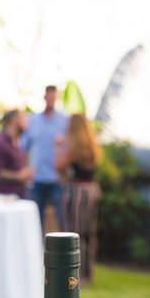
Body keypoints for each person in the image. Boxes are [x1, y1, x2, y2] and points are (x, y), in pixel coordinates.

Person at [54, 114, 103, 284]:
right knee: (89, 234)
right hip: (92, 190)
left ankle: (74, 274)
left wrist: (57, 147)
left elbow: (59, 166)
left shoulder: (73, 147)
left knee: (72, 233)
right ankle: (87, 273)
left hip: (76, 192)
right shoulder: (91, 146)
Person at [23, 85, 69, 227]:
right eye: (49, 97)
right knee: (36, 222)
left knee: (62, 220)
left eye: (54, 98)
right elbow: (23, 147)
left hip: (56, 179)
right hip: (36, 178)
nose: (52, 101)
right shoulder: (32, 120)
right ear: (44, 97)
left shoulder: (64, 121)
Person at [0, 109, 33, 197]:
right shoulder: (0, 143)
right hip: (6, 198)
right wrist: (18, 176)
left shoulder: (18, 141)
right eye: (23, 119)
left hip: (19, 194)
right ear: (14, 121)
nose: (27, 122)